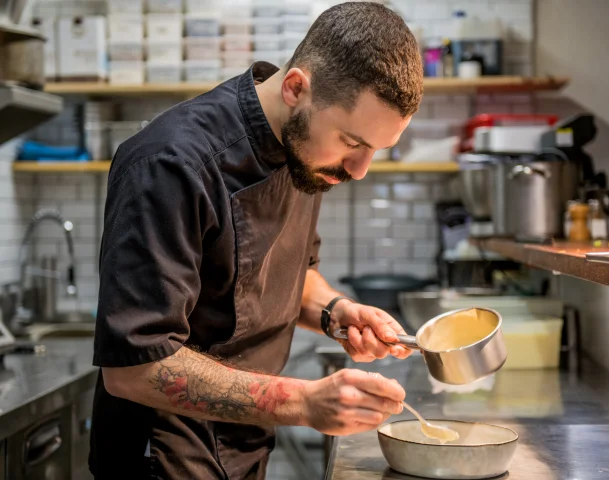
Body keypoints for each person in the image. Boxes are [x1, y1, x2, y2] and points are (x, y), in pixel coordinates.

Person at [89, 2, 424, 479]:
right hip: (165, 458)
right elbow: (132, 368)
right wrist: (304, 401)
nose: (359, 170)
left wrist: (335, 312)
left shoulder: (306, 150)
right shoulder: (169, 165)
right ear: (295, 89)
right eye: (353, 143)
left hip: (243, 450)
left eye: (376, 151)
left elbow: (285, 274)